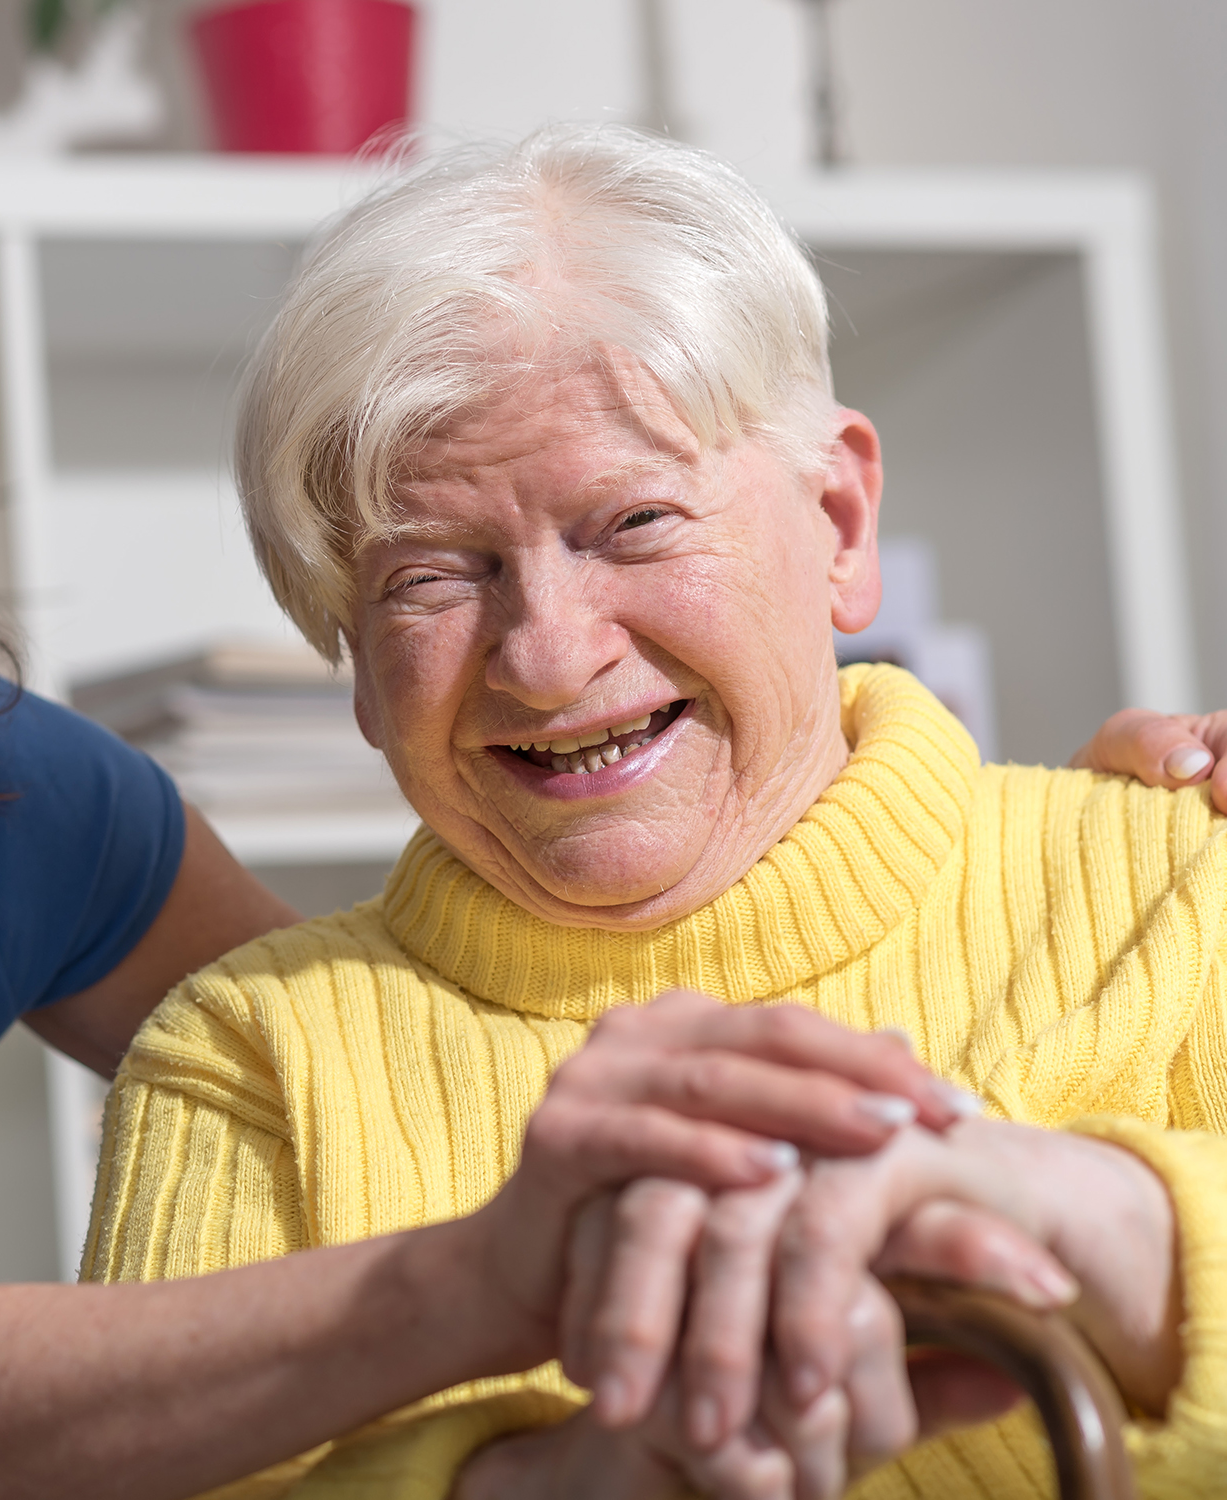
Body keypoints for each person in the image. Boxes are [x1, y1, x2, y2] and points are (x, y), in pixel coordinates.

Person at [82, 126, 1227, 1500]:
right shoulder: (250, 1060)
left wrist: (1127, 1230)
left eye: (631, 524)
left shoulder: (1185, 877)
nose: (548, 656)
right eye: (432, 579)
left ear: (841, 524)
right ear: (357, 673)